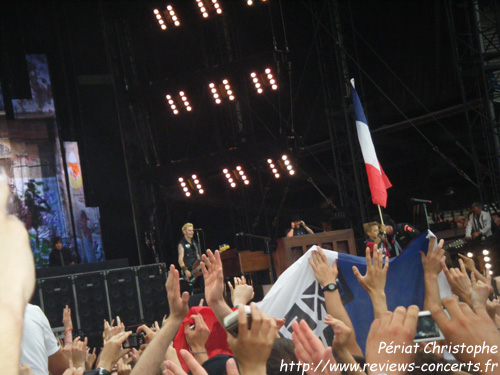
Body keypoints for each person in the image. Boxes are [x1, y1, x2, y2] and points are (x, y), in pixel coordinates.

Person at [178, 223, 202, 289]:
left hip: (197, 269)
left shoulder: (194, 243)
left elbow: (198, 255)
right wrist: (185, 270)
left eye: (192, 230)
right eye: (189, 231)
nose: (192, 232)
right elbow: (180, 259)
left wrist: (202, 263)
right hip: (189, 270)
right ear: (184, 232)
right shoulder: (181, 244)